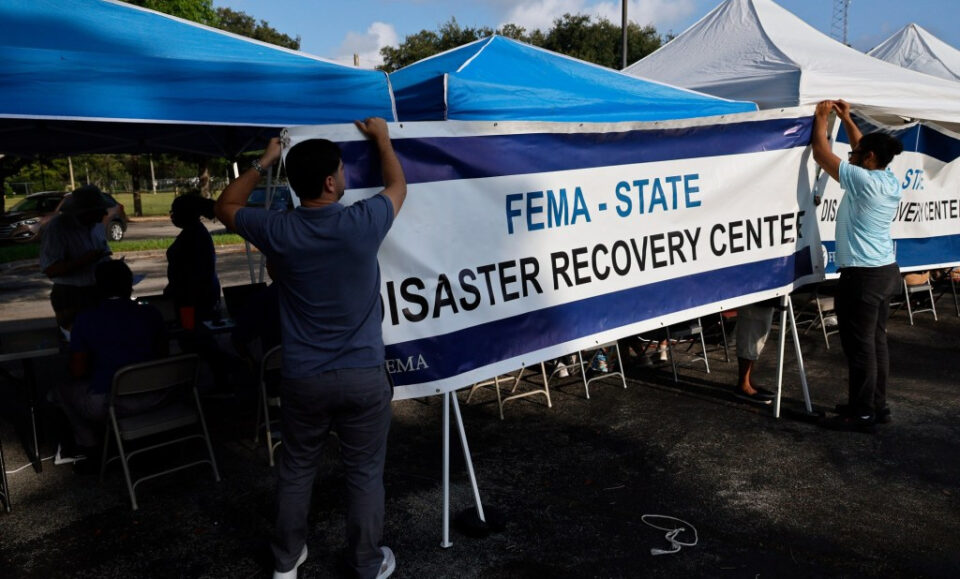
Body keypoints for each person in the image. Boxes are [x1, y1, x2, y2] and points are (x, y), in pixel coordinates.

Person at [215, 118, 405, 579]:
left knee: (297, 470)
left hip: (304, 377)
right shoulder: (363, 221)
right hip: (362, 375)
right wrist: (381, 138)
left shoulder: (278, 229)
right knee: (363, 472)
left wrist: (264, 161)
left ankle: (286, 561)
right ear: (329, 181)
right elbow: (398, 183)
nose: (345, 177)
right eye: (340, 170)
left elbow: (226, 205)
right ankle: (364, 562)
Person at [811, 99, 903, 432]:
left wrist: (821, 119)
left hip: (863, 276)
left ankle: (862, 413)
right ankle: (876, 406)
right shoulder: (887, 178)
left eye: (857, 155)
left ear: (870, 159)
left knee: (860, 347)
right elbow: (858, 145)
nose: (852, 156)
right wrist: (847, 119)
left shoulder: (864, 181)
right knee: (876, 342)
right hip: (884, 271)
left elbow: (822, 155)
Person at [51, 260, 169, 470]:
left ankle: (90, 448)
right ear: (130, 284)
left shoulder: (86, 320)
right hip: (157, 396)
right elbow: (162, 353)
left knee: (61, 390)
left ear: (98, 287)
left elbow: (78, 371)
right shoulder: (151, 313)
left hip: (114, 403)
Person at [39, 185, 112, 332]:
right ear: (86, 212)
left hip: (97, 291)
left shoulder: (97, 226)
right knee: (77, 339)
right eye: (99, 209)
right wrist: (84, 261)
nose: (104, 213)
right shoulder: (58, 228)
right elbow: (50, 269)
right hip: (70, 295)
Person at [164, 193, 222, 325]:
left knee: (191, 334)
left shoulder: (193, 236)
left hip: (192, 301)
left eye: (174, 212)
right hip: (195, 298)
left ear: (185, 213)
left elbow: (193, 273)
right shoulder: (195, 232)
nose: (172, 216)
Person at [733, 302, 776, 404]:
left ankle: (748, 381)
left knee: (757, 340)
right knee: (749, 337)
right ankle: (744, 385)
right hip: (752, 300)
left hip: (766, 298)